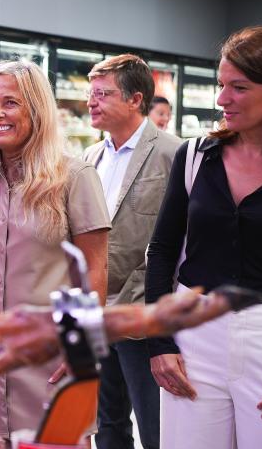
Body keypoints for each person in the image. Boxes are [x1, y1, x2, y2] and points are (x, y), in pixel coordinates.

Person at [145, 26, 262, 449]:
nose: (222, 99)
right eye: (221, 85)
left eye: (239, 87)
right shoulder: (195, 157)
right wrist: (159, 342)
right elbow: (161, 250)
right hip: (194, 339)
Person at [0, 60, 111, 438]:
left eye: (10, 103)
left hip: (51, 358)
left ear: (36, 110)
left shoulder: (75, 177)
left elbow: (96, 269)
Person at [82, 55, 181, 449]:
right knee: (106, 423)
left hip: (142, 313)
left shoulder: (174, 154)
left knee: (154, 423)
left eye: (103, 94)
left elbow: (180, 241)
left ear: (135, 99)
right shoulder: (90, 158)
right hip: (97, 311)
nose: (91, 102)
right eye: (91, 94)